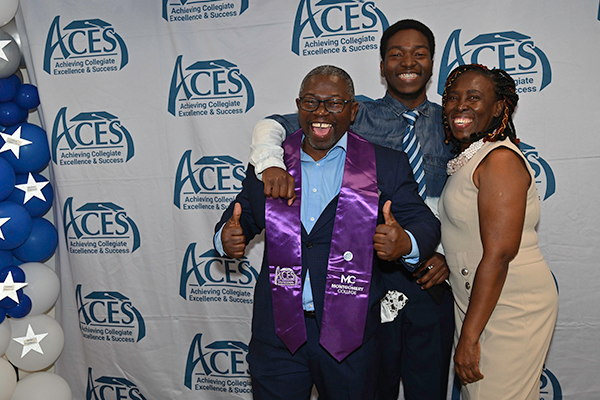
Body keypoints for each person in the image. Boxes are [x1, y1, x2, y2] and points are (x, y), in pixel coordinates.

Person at [248, 20, 454, 400]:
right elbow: (276, 125)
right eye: (396, 54)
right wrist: (269, 162)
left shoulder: (452, 121)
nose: (407, 62)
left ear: (431, 61)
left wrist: (419, 245)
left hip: (423, 276)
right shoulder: (351, 113)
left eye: (419, 54)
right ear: (381, 65)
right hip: (363, 289)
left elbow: (452, 207)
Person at [439, 63, 558, 399]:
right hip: (479, 301)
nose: (460, 105)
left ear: (498, 108)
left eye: (474, 98)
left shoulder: (500, 159)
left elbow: (500, 253)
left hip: (510, 306)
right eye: (452, 97)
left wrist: (469, 337)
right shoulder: (473, 158)